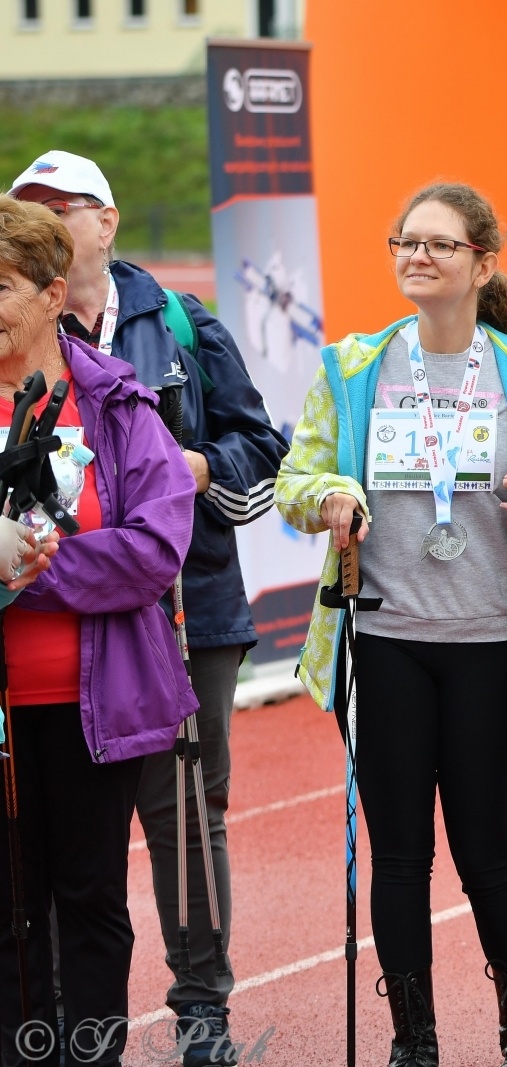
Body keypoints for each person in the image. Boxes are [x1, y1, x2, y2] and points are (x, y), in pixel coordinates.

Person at [9, 148, 289, 1067]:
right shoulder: (19, 334)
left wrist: (188, 472)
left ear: (108, 219)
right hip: (63, 642)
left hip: (186, 606)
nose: (52, 214)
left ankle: (201, 1001)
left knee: (185, 815)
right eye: (31, 204)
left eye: (67, 204)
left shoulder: (176, 321)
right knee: (52, 860)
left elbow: (258, 444)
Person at [275, 183, 507, 1067]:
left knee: (486, 852)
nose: (418, 257)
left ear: (482, 262)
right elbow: (295, 481)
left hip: (493, 643)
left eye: (440, 245)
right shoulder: (352, 368)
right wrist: (330, 496)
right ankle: (415, 1040)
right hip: (385, 641)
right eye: (406, 242)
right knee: (399, 856)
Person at [0, 195, 198, 1066]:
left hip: (95, 705)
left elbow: (156, 548)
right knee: (6, 905)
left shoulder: (117, 400)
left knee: (87, 898)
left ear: (51, 293)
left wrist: (33, 569)